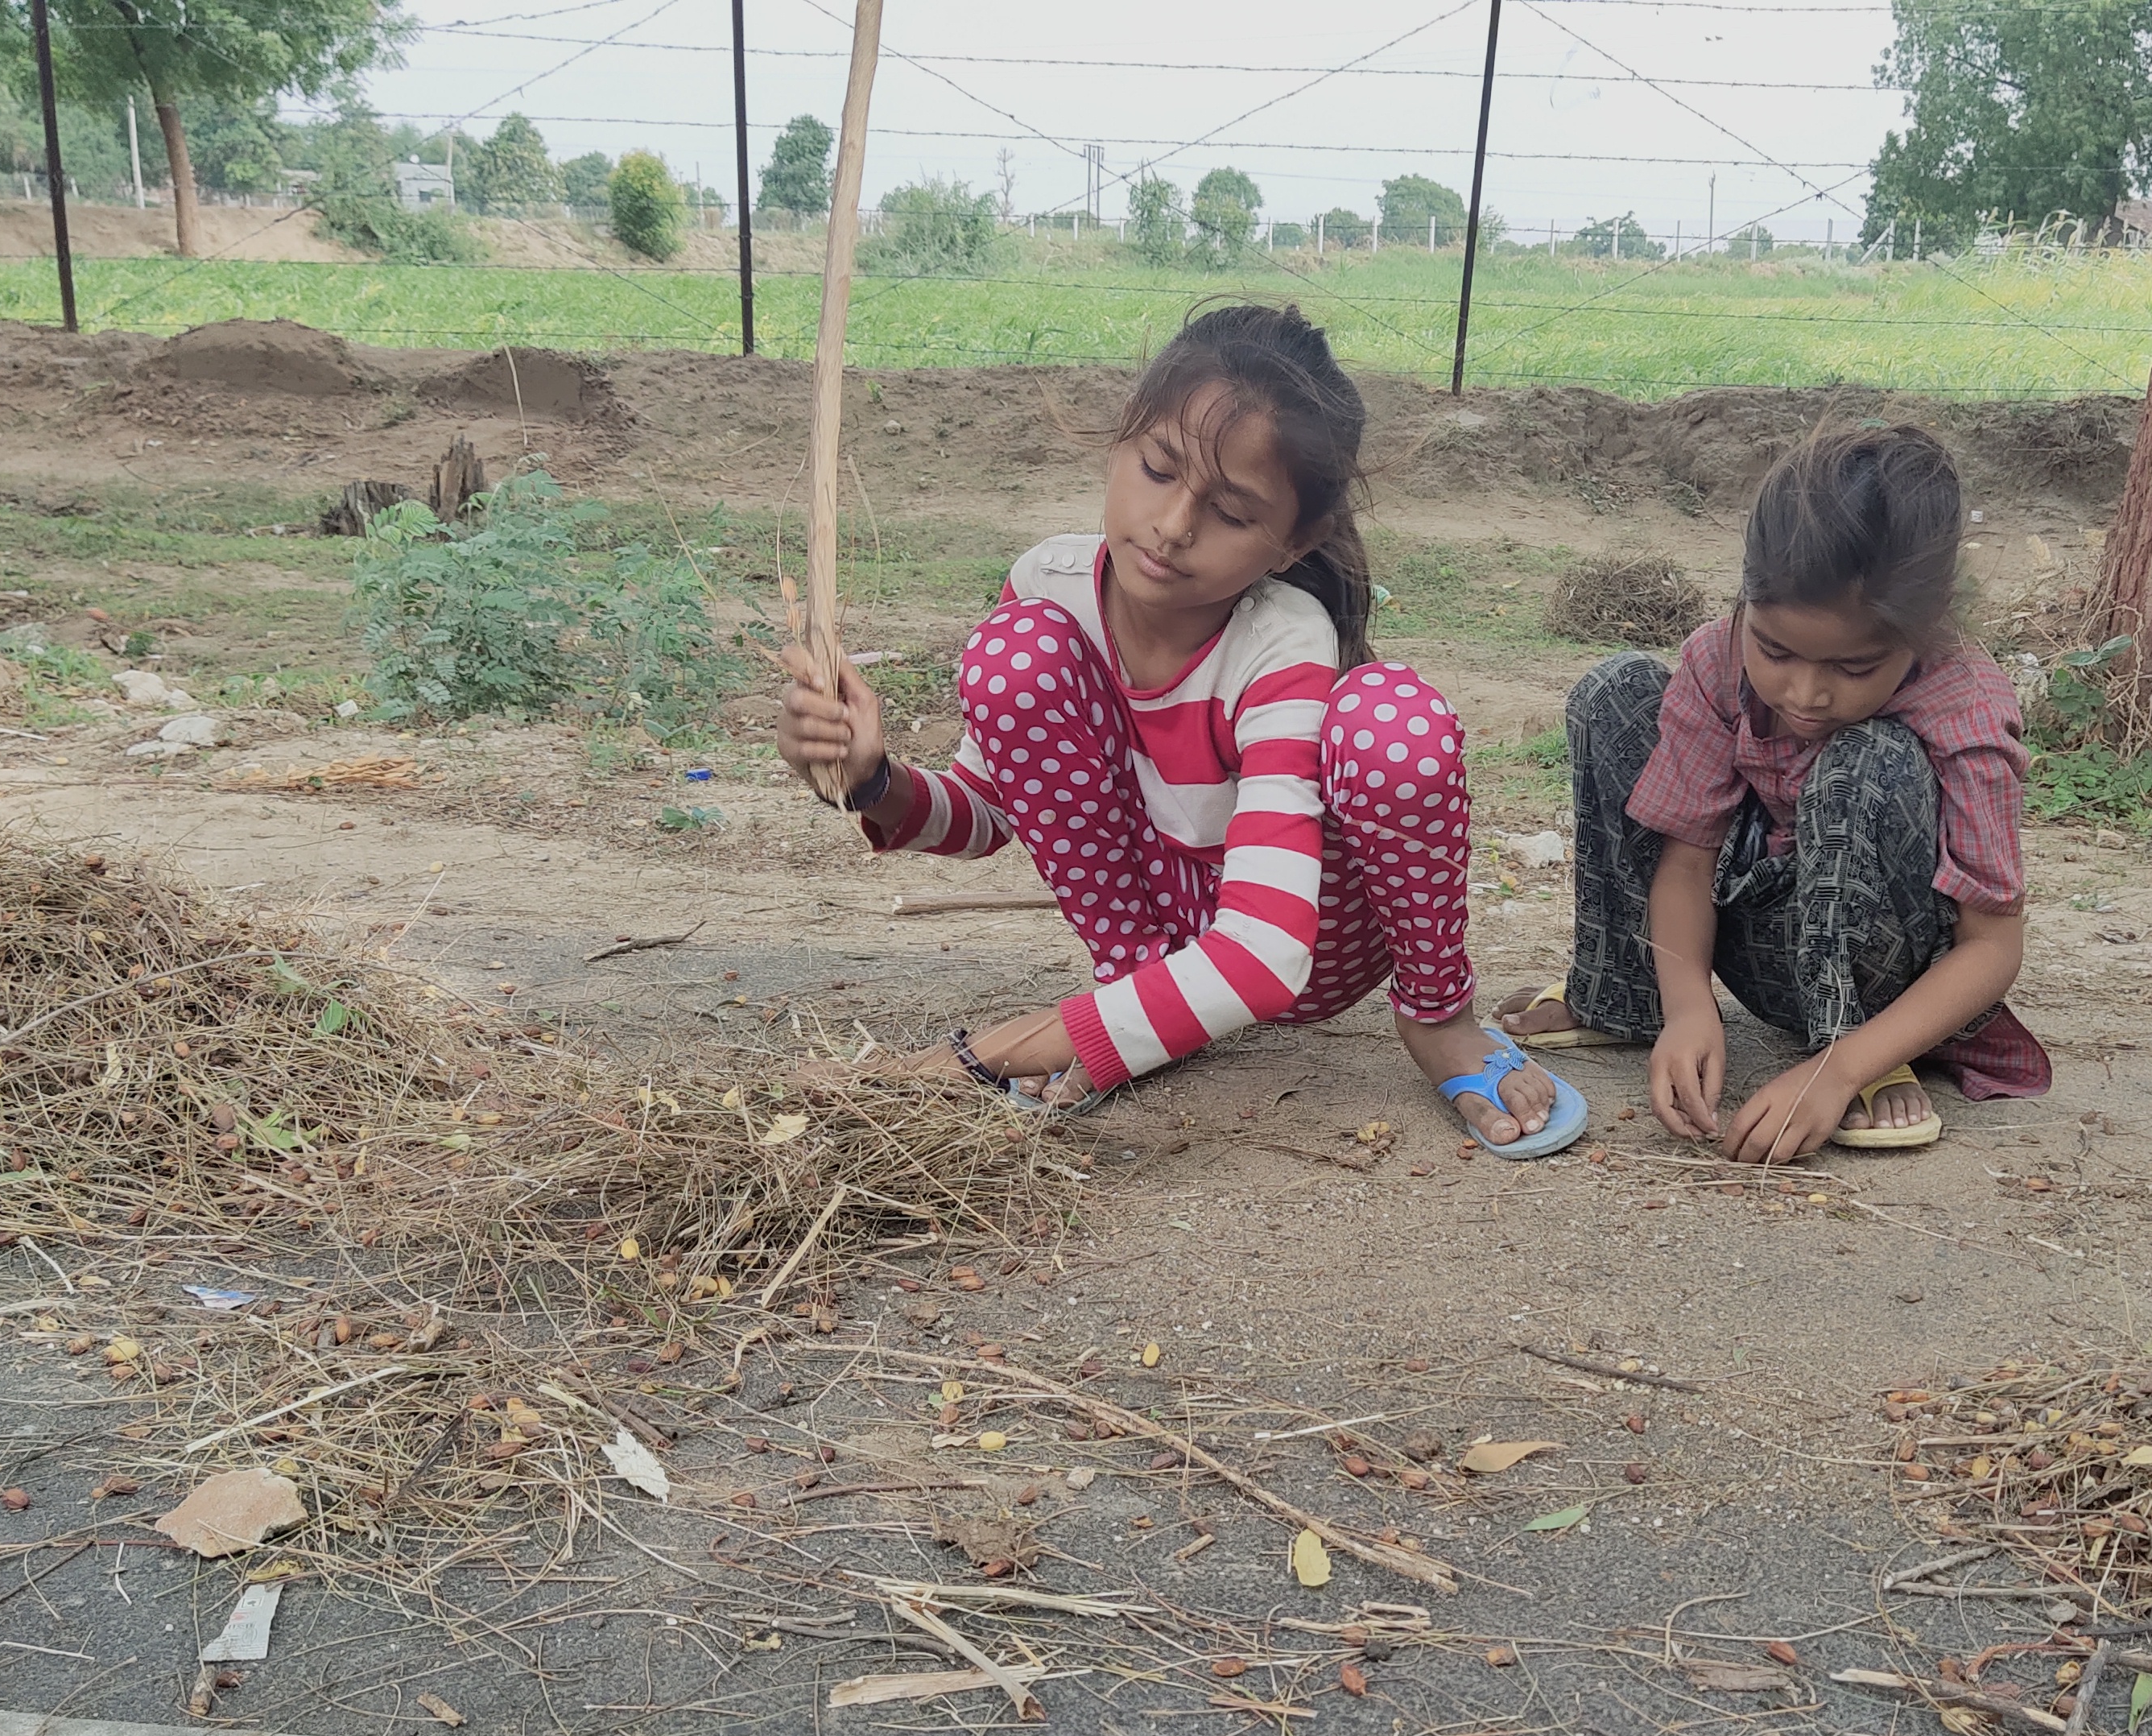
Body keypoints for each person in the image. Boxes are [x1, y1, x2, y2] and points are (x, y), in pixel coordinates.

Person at [776, 303, 1585, 1158]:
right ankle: (1140, 1001)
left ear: (1290, 541)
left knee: (1395, 727)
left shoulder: (1281, 641)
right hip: (1157, 937)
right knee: (1013, 655)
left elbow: (1269, 955)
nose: (1172, 526)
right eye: (1158, 469)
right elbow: (989, 810)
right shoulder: (1047, 588)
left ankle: (1439, 1021)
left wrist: (984, 1055)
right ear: (1120, 438)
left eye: (1231, 515)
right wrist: (871, 779)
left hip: (1314, 941)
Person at [1499, 422, 2048, 1160]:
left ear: (1923, 632)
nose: (1806, 693)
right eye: (1776, 649)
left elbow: (1991, 946)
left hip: (1884, 970)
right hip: (1761, 929)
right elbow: (1688, 861)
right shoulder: (1718, 659)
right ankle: (1630, 1000)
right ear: (1746, 600)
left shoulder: (1967, 708)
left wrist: (1842, 1065)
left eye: (1854, 668)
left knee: (1868, 756)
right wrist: (1690, 1010)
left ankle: (1860, 1046)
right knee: (1616, 691)